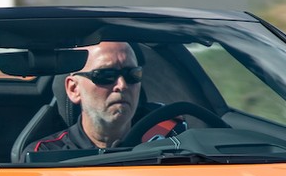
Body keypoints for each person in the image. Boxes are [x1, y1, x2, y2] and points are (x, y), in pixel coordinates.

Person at [28, 40, 179, 154]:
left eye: (133, 75)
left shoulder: (171, 143)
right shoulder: (45, 154)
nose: (122, 85)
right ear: (74, 89)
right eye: (105, 75)